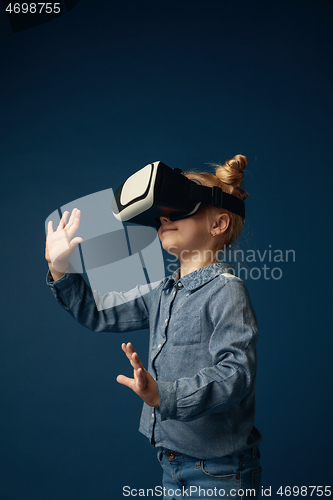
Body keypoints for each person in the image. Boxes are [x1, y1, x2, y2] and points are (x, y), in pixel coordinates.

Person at [45, 155, 262, 499]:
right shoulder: (161, 292)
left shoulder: (226, 290)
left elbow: (236, 375)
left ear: (218, 224)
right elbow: (99, 313)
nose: (164, 219)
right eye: (161, 215)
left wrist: (165, 395)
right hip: (171, 462)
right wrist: (60, 268)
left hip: (219, 470)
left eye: (177, 211)